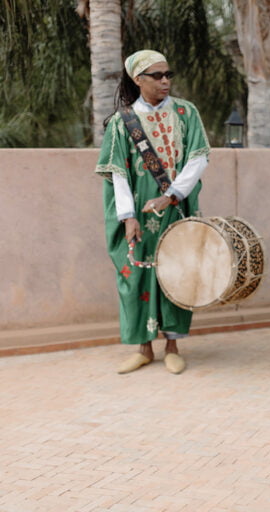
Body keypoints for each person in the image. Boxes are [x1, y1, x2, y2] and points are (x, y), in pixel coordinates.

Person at [95, 49, 210, 375]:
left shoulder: (186, 113)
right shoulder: (122, 122)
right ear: (138, 79)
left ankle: (172, 346)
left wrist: (171, 195)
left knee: (177, 272)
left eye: (167, 75)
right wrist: (127, 216)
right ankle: (143, 348)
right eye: (157, 76)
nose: (165, 81)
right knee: (136, 276)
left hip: (176, 209)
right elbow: (118, 173)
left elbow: (198, 158)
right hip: (138, 214)